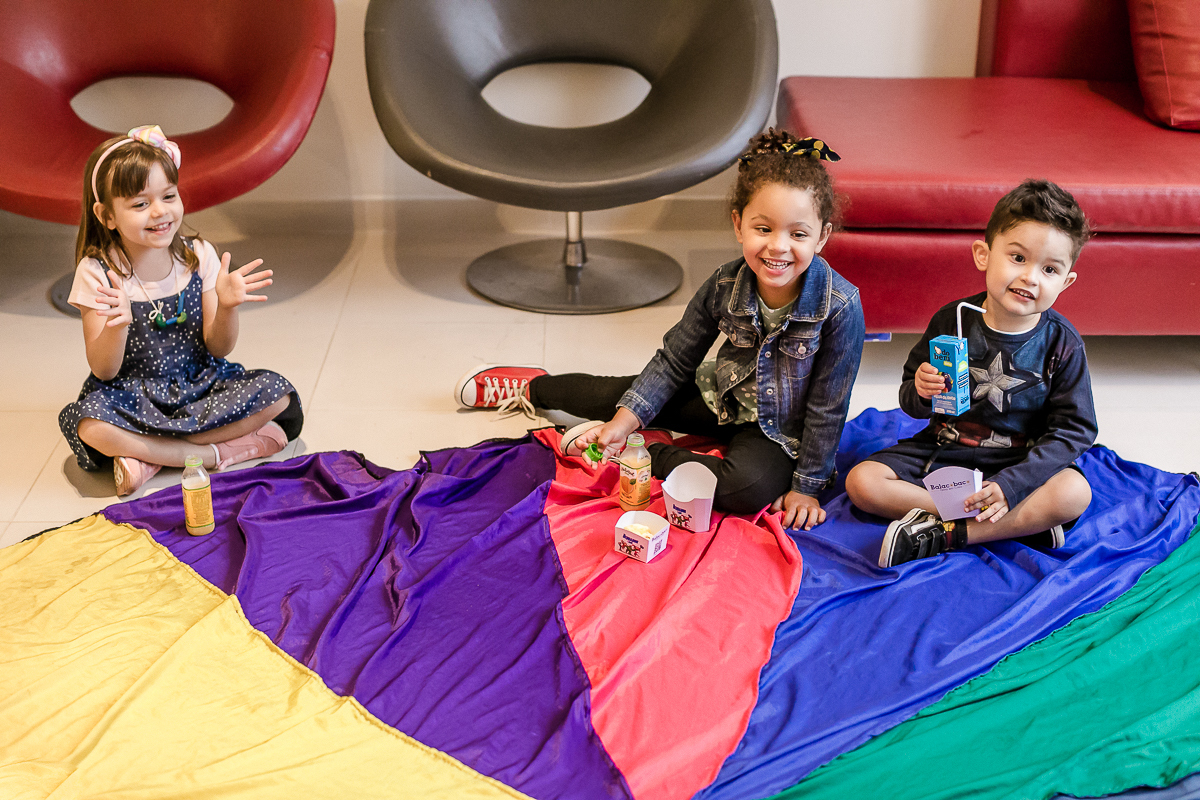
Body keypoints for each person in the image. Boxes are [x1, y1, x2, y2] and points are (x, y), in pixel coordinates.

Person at [454, 129, 865, 530]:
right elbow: (674, 361)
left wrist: (807, 486)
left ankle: (637, 452)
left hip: (778, 434)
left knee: (746, 488)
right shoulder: (725, 283)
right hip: (719, 397)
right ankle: (532, 389)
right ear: (738, 225)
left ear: (822, 236)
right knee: (614, 395)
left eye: (798, 234)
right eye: (764, 229)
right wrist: (622, 420)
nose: (778, 247)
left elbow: (828, 406)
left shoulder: (841, 307)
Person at [845, 179, 1096, 568]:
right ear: (984, 254)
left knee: (1074, 492)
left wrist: (1012, 486)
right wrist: (922, 390)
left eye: (1049, 269)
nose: (1031, 277)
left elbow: (1074, 431)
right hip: (945, 450)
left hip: (1019, 463)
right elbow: (909, 400)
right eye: (1017, 258)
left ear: (1066, 282)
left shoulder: (1062, 342)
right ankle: (1017, 523)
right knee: (861, 482)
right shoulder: (952, 319)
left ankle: (950, 534)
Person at [59, 125, 303, 496]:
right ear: (107, 216)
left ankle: (151, 458)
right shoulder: (97, 273)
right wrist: (117, 326)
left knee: (278, 394)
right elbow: (103, 370)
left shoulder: (198, 255)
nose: (160, 212)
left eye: (169, 196)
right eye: (140, 204)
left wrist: (227, 307)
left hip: (201, 385)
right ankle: (219, 454)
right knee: (89, 425)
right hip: (132, 394)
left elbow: (219, 348)